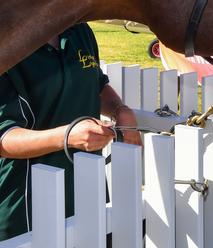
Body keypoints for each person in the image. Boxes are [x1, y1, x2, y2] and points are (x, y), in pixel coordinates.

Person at [0, 23, 141, 241]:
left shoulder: (80, 30)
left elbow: (97, 84)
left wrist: (119, 110)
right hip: (26, 201)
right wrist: (68, 136)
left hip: (87, 186)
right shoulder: (7, 40)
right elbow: (3, 139)